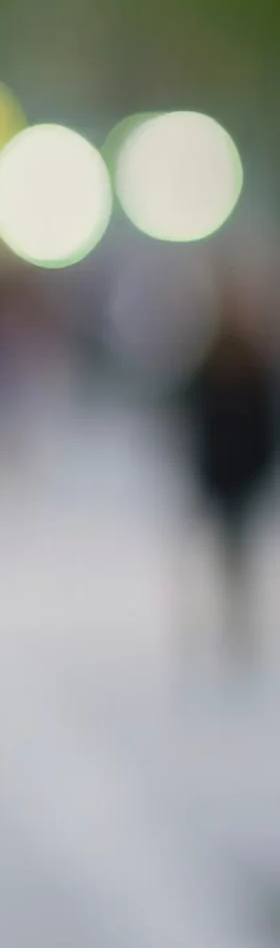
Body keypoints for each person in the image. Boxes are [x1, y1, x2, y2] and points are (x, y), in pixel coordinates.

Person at [178, 281, 276, 666]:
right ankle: (226, 616)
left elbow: (266, 424)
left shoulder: (254, 364)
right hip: (222, 473)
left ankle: (235, 618)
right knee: (228, 548)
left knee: (235, 547)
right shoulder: (211, 363)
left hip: (238, 474)